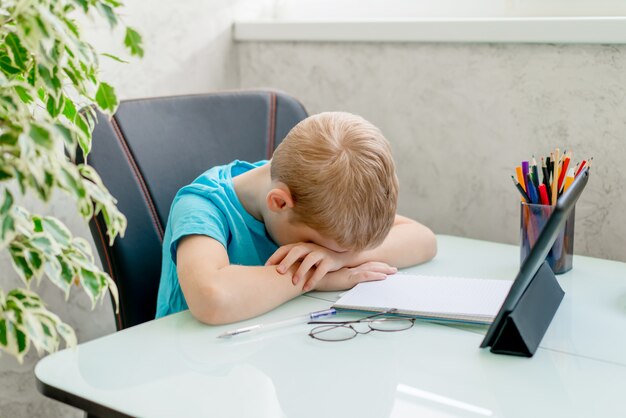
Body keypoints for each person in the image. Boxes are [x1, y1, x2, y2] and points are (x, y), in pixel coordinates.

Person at [155, 111, 436, 324]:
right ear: (280, 202)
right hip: (193, 372)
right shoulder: (202, 206)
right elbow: (212, 298)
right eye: (324, 247)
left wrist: (340, 259)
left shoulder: (320, 190)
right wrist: (313, 278)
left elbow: (424, 239)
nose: (322, 258)